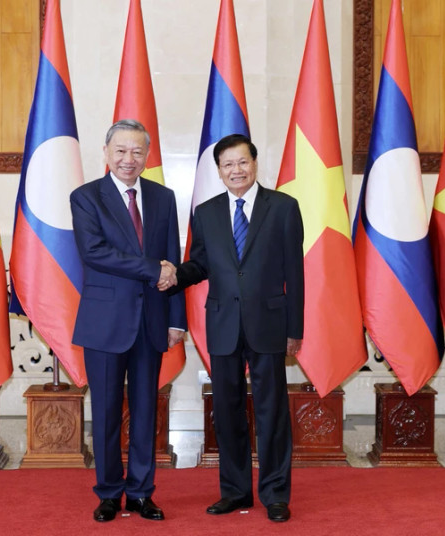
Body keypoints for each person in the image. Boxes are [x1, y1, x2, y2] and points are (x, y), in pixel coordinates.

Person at [171, 134, 304, 522]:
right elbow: (200, 264)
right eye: (227, 164)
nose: (236, 170)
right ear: (219, 170)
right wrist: (172, 275)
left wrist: (295, 328)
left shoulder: (283, 207)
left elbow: (295, 273)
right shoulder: (206, 212)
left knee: (271, 412)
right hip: (223, 323)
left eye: (242, 162)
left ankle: (275, 494)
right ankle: (235, 491)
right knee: (227, 412)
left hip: (269, 323)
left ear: (255, 163)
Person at [70, 119, 186, 522]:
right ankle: (108, 493)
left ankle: (140, 493)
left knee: (145, 412)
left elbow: (173, 261)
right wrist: (152, 268)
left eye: (137, 151)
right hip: (105, 323)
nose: (128, 159)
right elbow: (94, 253)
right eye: (120, 150)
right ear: (106, 153)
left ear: (147, 156)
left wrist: (176, 319)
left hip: (151, 321)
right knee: (104, 413)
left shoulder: (163, 197)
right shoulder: (86, 197)